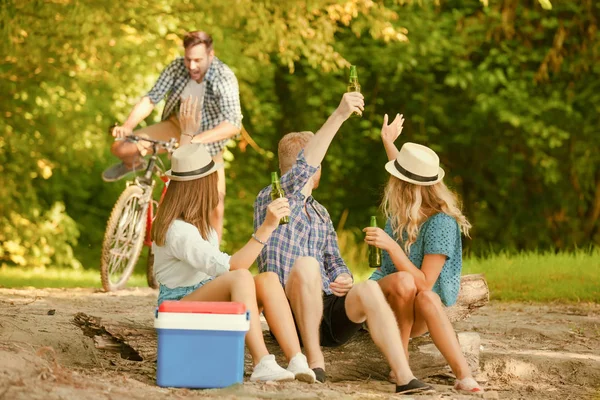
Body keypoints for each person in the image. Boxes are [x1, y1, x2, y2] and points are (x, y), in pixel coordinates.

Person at [253, 93, 433, 394]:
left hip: (328, 310)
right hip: (289, 311)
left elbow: (334, 260)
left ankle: (403, 375)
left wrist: (342, 276)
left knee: (368, 288)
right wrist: (338, 115)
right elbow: (303, 169)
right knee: (307, 266)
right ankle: (315, 362)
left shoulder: (321, 213)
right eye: (318, 160)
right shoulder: (272, 197)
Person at [150, 99, 315, 383]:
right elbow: (232, 267)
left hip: (201, 297)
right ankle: (262, 361)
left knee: (268, 279)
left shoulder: (199, 226)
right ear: (200, 188)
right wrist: (267, 227)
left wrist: (189, 133)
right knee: (240, 277)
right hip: (177, 306)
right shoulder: (178, 231)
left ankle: (296, 360)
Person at [362, 113, 484, 394]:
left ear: (406, 186)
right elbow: (408, 171)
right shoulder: (401, 215)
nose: (391, 182)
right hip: (384, 300)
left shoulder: (440, 222)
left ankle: (463, 375)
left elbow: (425, 283)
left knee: (426, 294)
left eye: (397, 179)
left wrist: (391, 246)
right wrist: (388, 142)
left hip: (415, 306)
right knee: (403, 282)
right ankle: (401, 365)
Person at [103, 31, 242, 242]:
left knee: (216, 207)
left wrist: (196, 140)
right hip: (175, 127)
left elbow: (233, 124)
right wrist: (128, 126)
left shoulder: (223, 76)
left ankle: (215, 266)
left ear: (211, 55)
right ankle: (139, 165)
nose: (192, 66)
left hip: (207, 141)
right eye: (188, 59)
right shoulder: (177, 67)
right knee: (121, 147)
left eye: (198, 60)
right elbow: (152, 98)